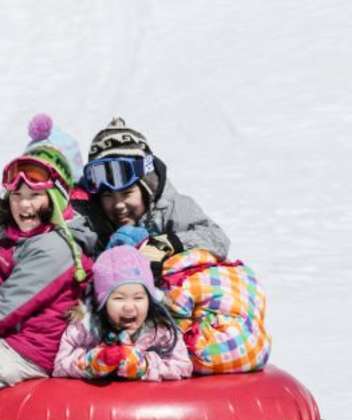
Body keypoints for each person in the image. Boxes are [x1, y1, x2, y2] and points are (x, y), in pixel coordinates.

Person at [0, 114, 94, 388]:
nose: (23, 206)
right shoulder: (16, 236)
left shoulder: (55, 247)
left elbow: (7, 308)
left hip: (27, 352)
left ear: (54, 199)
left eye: (34, 196)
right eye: (16, 196)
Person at [77, 117, 230, 267]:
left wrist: (166, 243)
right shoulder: (89, 218)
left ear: (147, 189)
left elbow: (217, 239)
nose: (119, 205)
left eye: (127, 193)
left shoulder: (172, 207)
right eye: (108, 195)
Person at [53, 245, 192, 381]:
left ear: (150, 299)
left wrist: (142, 365)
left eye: (138, 298)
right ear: (102, 302)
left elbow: (183, 366)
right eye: (119, 298)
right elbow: (60, 366)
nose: (129, 307)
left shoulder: (160, 330)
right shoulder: (86, 326)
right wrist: (93, 361)